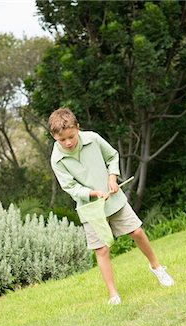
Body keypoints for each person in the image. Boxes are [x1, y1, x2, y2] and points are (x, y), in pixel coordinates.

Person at [49, 107, 174, 305]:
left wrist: (112, 178)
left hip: (114, 199)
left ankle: (157, 267)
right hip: (90, 208)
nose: (68, 142)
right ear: (54, 136)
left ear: (77, 128)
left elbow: (112, 156)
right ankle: (113, 294)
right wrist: (93, 193)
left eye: (71, 136)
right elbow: (70, 187)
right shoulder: (57, 159)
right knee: (101, 250)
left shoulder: (93, 138)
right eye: (62, 140)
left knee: (137, 232)